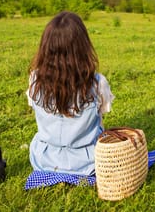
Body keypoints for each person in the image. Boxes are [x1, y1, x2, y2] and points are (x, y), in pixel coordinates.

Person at [26, 11, 114, 176]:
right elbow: (102, 116)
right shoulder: (98, 82)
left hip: (43, 159)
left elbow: (35, 110)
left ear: (46, 47)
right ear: (83, 46)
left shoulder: (34, 78)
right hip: (90, 162)